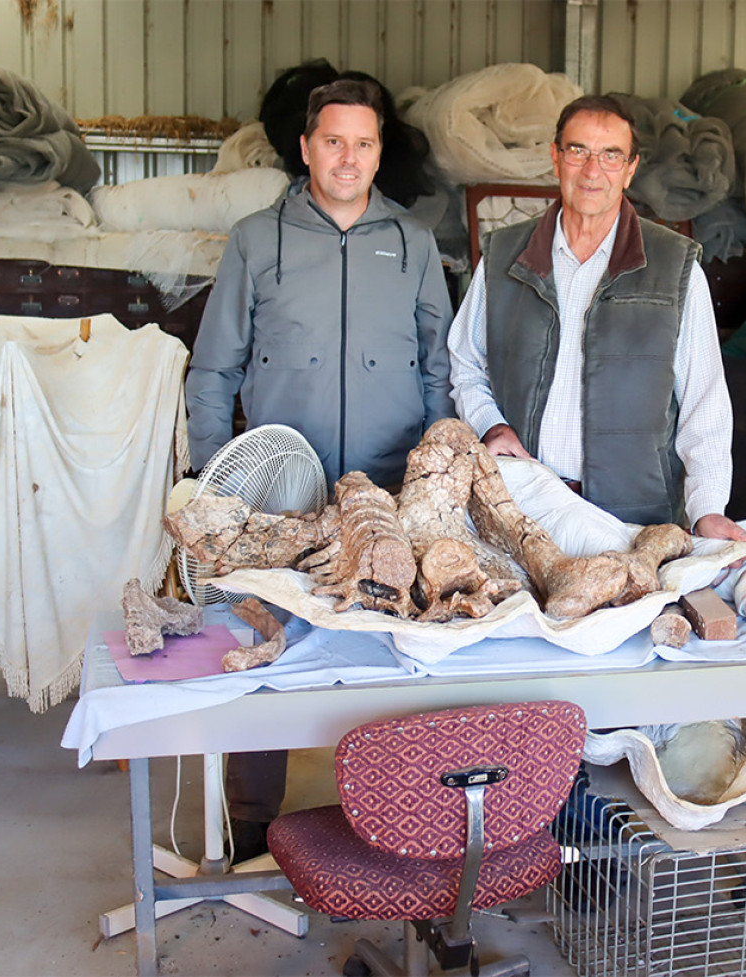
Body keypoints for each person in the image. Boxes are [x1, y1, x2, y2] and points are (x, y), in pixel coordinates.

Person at [184, 77, 453, 859]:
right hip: (280, 494)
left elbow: (439, 373)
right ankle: (247, 824)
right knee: (264, 649)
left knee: (393, 657)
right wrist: (215, 486)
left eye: (363, 143)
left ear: (378, 152)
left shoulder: (410, 243)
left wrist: (432, 489)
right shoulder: (254, 240)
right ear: (305, 149)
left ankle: (394, 823)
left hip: (384, 496)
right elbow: (212, 374)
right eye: (332, 141)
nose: (347, 157)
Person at [448, 94, 746, 544]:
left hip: (633, 523)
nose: (593, 171)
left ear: (630, 169)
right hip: (522, 511)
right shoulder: (504, 258)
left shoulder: (674, 267)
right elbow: (465, 363)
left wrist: (707, 509)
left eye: (610, 156)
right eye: (578, 151)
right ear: (555, 157)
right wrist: (491, 424)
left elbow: (704, 405)